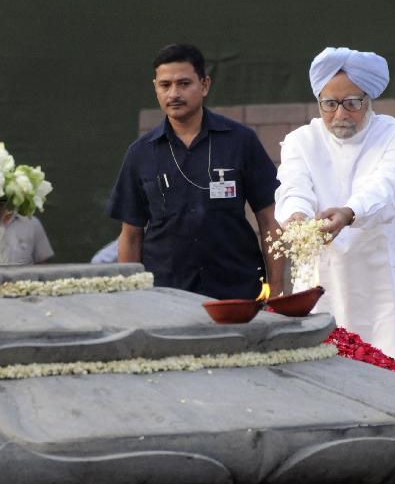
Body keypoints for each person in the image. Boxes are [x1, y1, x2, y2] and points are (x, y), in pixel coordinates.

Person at [274, 46, 395, 377]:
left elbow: (388, 186)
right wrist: (296, 216)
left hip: (384, 276)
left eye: (352, 103)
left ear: (369, 100)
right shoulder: (300, 141)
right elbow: (293, 187)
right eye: (330, 104)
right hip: (323, 276)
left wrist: (350, 212)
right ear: (319, 102)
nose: (340, 114)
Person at [108, 43, 283, 299]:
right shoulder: (141, 153)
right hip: (165, 294)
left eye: (184, 83)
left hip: (237, 291)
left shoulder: (241, 140)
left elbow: (269, 221)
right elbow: (131, 235)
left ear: (204, 85)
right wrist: (131, 297)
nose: (174, 94)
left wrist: (277, 289)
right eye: (165, 85)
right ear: (155, 87)